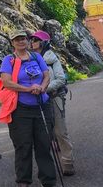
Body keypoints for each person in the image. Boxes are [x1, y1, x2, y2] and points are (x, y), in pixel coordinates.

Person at [0, 30, 60, 187]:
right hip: (20, 109)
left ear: (27, 40)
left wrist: (42, 87)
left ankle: (48, 180)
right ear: (12, 43)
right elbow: (7, 82)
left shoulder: (36, 57)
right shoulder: (9, 60)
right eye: (17, 39)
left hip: (42, 104)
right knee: (23, 145)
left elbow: (46, 75)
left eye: (23, 39)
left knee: (44, 143)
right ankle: (23, 182)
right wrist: (27, 89)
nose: (21, 42)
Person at [31, 30, 75, 176]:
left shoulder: (51, 58)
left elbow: (61, 79)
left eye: (36, 40)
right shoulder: (29, 59)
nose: (32, 42)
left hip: (54, 97)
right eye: (32, 40)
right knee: (43, 134)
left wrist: (43, 88)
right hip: (37, 99)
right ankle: (47, 167)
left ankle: (68, 163)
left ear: (43, 43)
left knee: (60, 131)